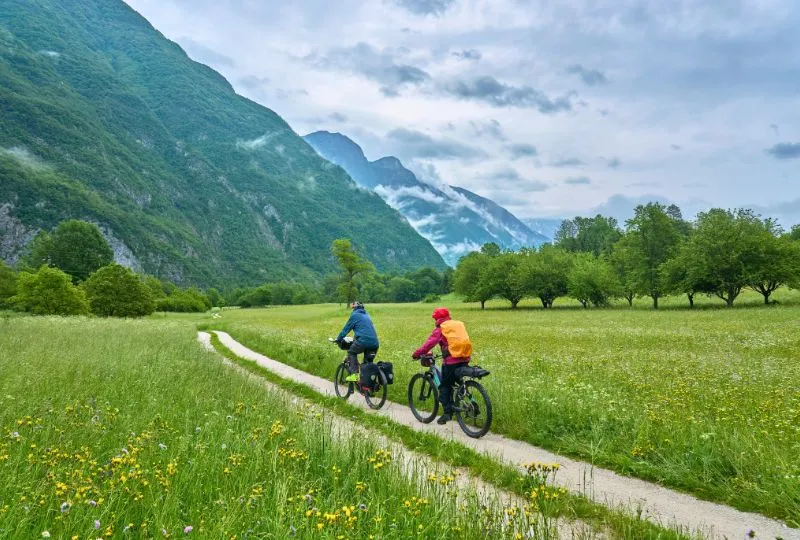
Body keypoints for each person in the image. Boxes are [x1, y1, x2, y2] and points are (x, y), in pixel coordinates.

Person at [412, 307, 472, 425]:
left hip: (451, 362)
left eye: (435, 318)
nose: (435, 321)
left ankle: (447, 413)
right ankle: (461, 398)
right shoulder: (456, 325)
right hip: (465, 358)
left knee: (444, 386)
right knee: (455, 382)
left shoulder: (441, 329)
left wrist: (417, 354)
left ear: (438, 319)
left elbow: (428, 344)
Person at [336, 301, 380, 383]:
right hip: (375, 343)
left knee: (351, 352)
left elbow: (346, 329)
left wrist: (338, 339)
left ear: (355, 308)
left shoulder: (355, 315)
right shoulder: (367, 315)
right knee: (367, 365)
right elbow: (363, 330)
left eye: (353, 308)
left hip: (363, 342)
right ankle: (368, 386)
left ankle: (354, 375)